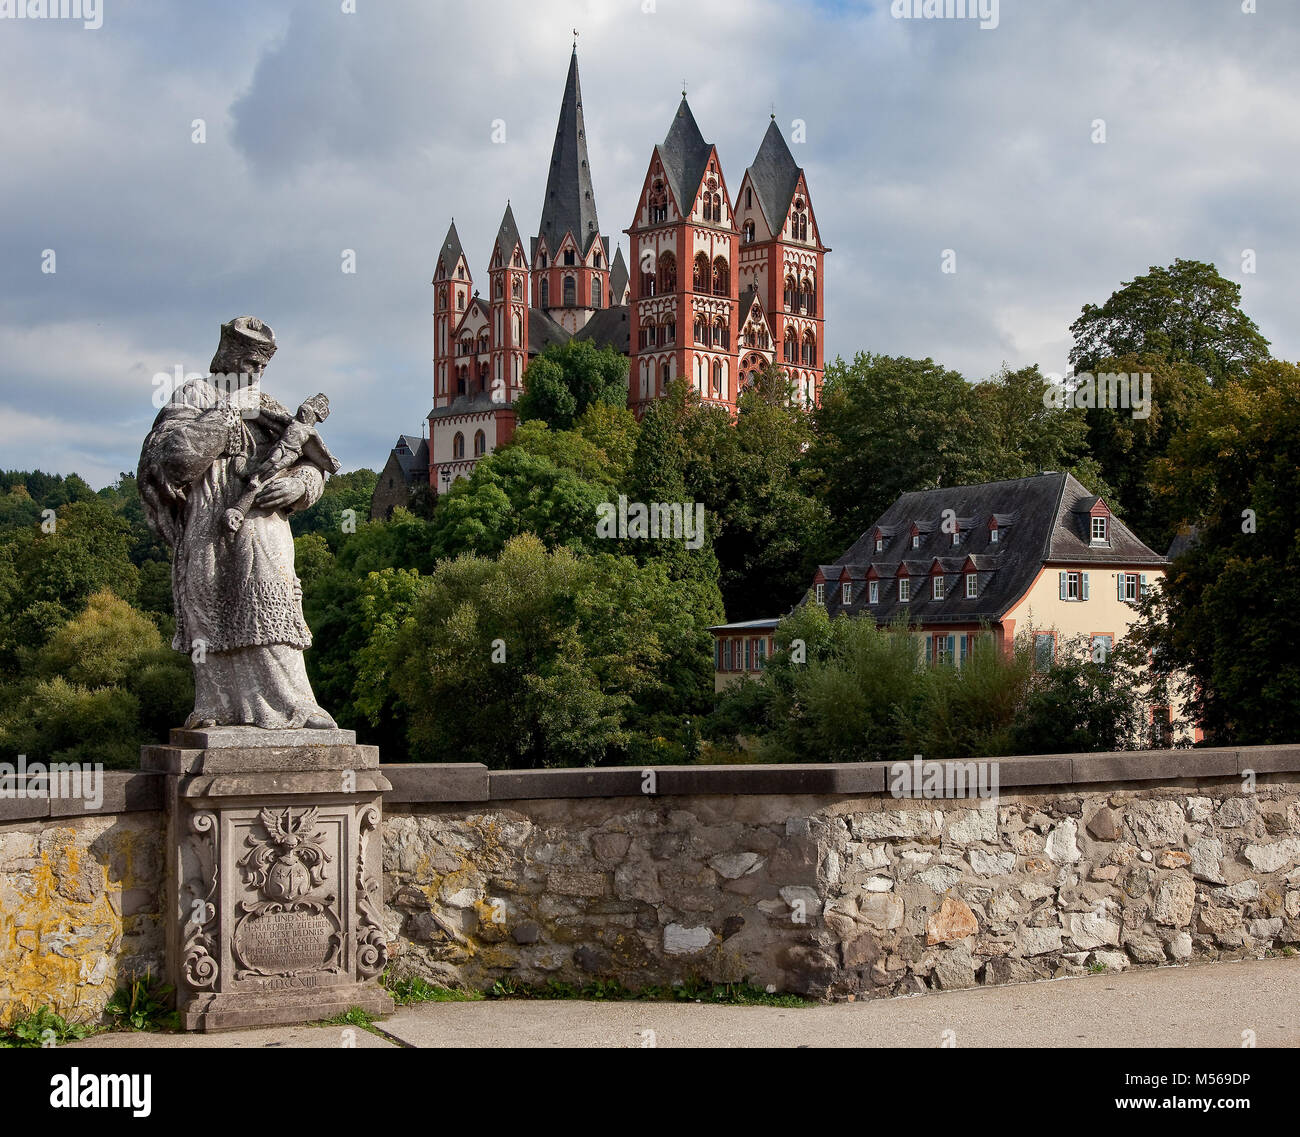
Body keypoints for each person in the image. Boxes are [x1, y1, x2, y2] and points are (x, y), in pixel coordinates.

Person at [138, 316, 338, 730]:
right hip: (210, 523)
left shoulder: (273, 409)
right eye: (250, 362)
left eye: (262, 365)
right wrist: (227, 415)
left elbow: (314, 464)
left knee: (273, 608)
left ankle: (296, 705)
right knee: (211, 611)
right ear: (228, 357)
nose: (257, 372)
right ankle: (215, 707)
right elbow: (173, 460)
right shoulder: (195, 396)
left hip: (265, 527)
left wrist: (299, 487)